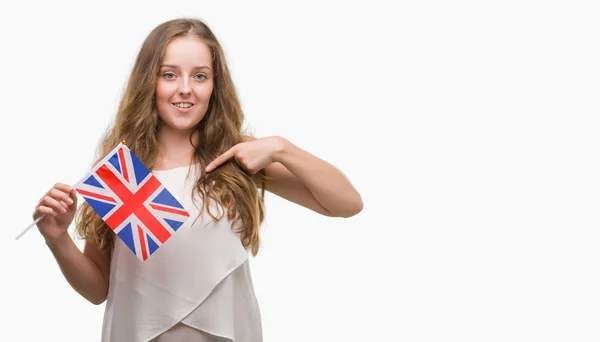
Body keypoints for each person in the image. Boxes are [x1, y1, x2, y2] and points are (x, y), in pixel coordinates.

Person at [32, 17, 363, 342]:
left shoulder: (235, 159)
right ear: (150, 81)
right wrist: (58, 240)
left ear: (215, 85)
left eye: (200, 76)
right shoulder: (122, 172)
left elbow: (346, 204)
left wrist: (281, 148)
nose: (185, 89)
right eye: (170, 75)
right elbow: (98, 289)